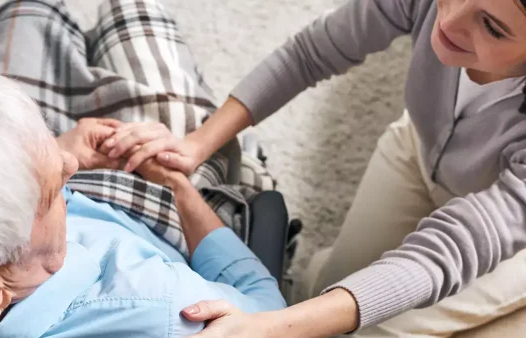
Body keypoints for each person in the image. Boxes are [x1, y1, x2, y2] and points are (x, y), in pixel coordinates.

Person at [106, 0, 526, 336]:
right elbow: (310, 53)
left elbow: (448, 252)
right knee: (323, 286)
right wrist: (197, 144)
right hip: (418, 147)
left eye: (492, 26)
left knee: (375, 330)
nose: (449, 18)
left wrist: (272, 328)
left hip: (511, 223)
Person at [0, 68, 285, 336]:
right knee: (136, 12)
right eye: (51, 193)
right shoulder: (162, 307)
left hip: (60, 198)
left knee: (26, 11)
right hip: (165, 214)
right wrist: (178, 186)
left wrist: (47, 154)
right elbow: (268, 309)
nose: (72, 165)